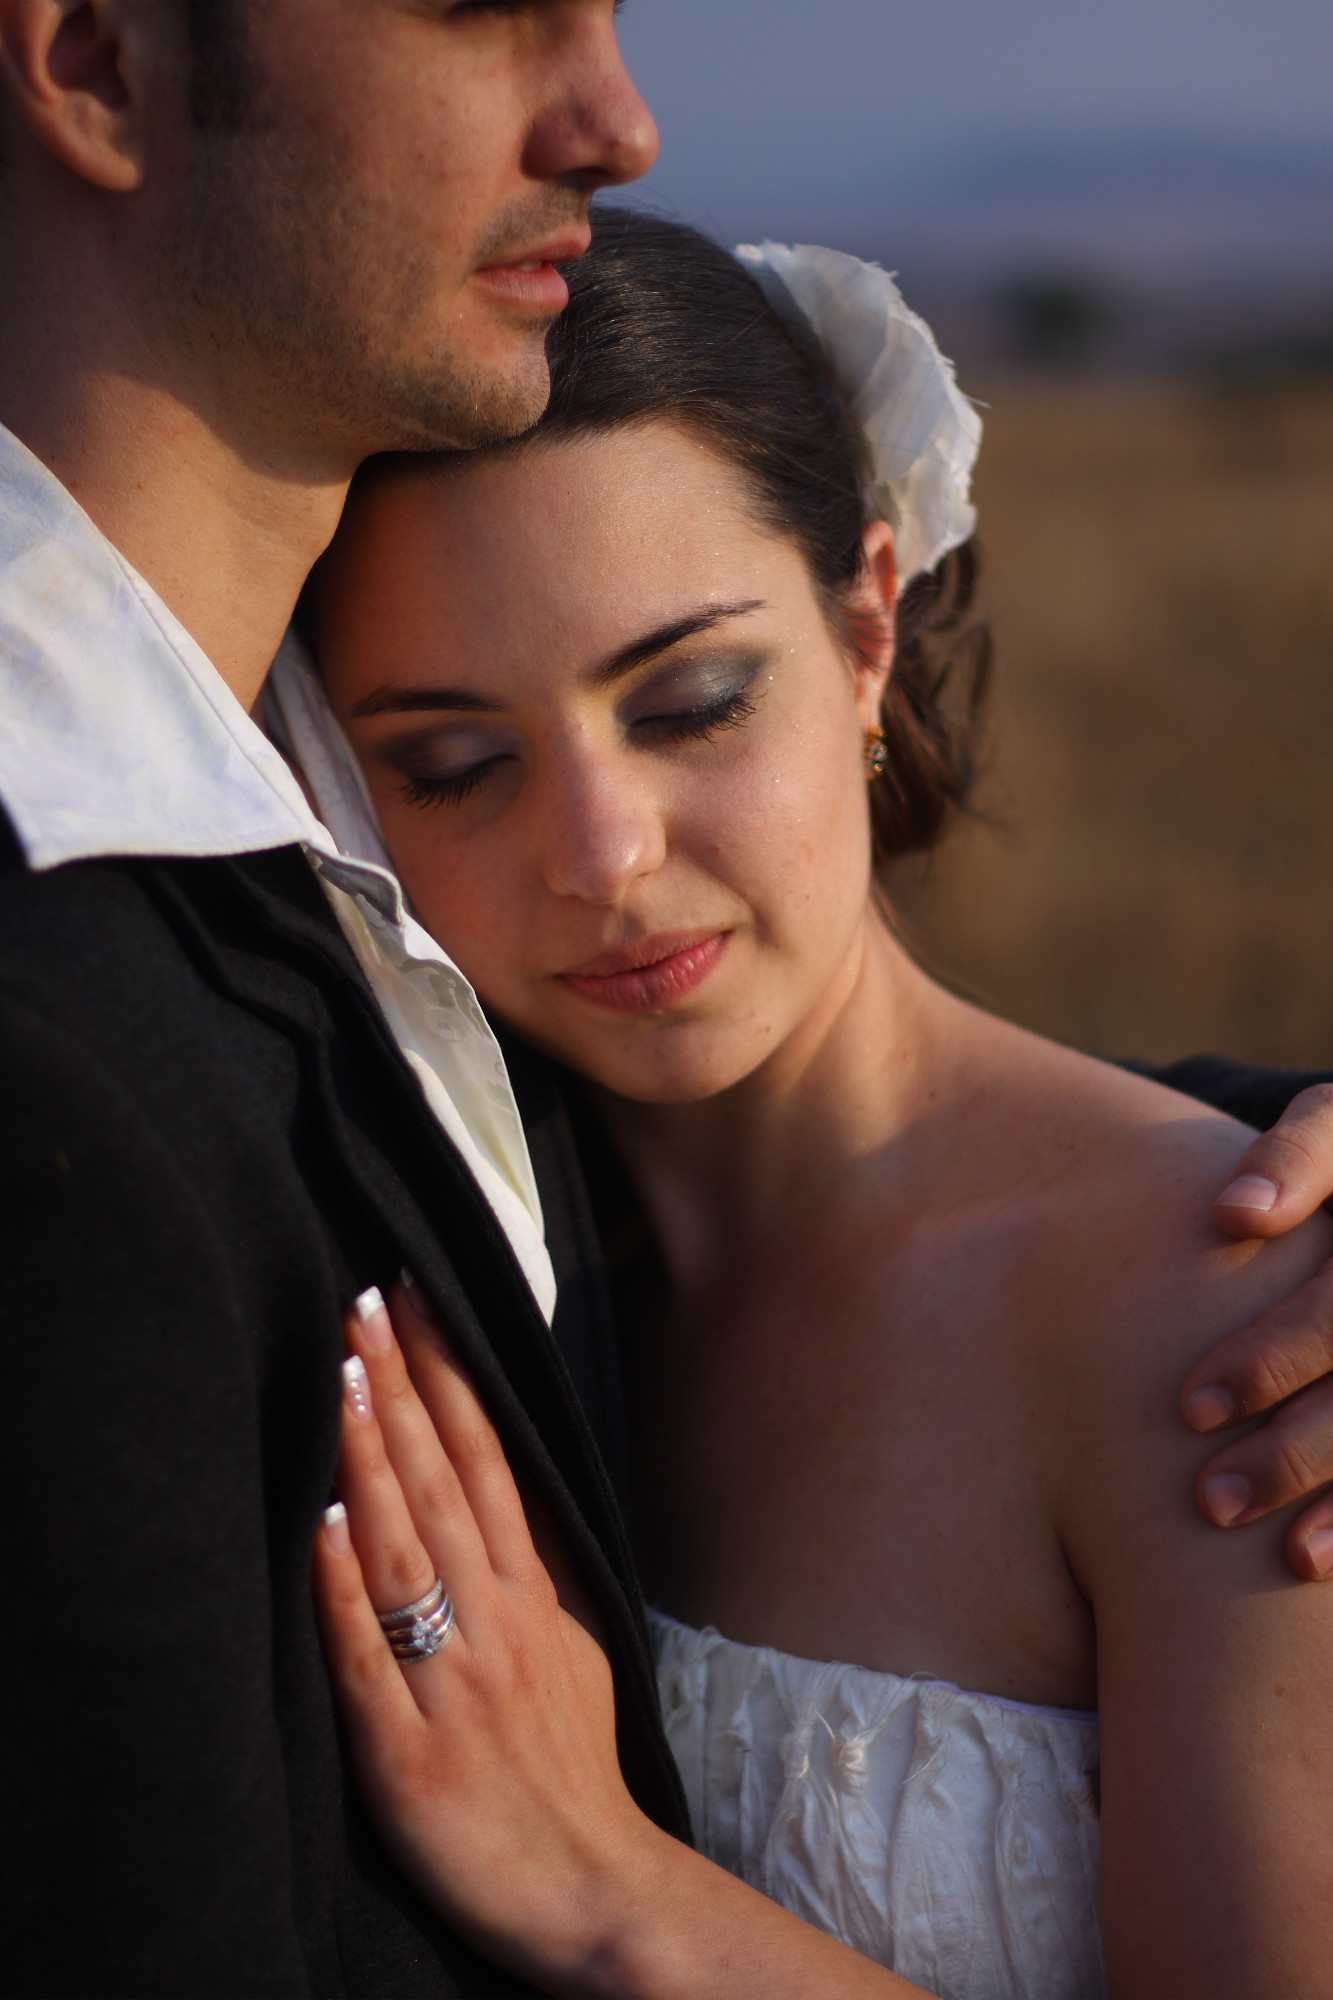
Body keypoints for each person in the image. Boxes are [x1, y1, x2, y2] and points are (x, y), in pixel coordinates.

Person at [296, 211, 1333, 1997]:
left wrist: (618, 1893)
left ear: (865, 628)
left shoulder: (1227, 1321)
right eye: (455, 764)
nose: (604, 859)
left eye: (691, 703)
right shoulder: (467, 1262)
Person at [0, 6, 673, 1995]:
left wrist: (1220, 1181)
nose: (620, 123)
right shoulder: (46, 1046)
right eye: (482, 11)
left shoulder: (346, 777)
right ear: (100, 63)